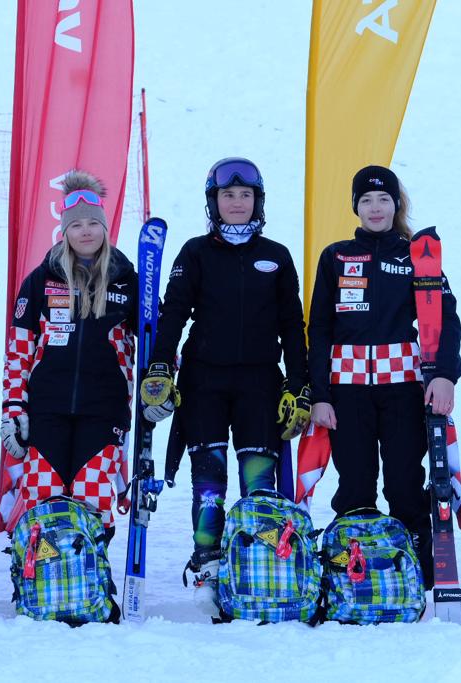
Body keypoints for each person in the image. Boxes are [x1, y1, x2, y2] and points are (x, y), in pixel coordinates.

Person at [139, 157, 309, 606]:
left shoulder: (277, 256)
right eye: (227, 195)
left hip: (260, 384)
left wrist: (299, 383)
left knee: (259, 483)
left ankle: (260, 563)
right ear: (213, 202)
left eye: (245, 195)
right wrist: (160, 367)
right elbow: (174, 313)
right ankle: (208, 567)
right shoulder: (195, 252)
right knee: (209, 484)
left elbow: (293, 325)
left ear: (258, 201)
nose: (236, 202)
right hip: (204, 383)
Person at [308, 165, 461, 586]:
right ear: (355, 207)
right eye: (366, 200)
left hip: (403, 390)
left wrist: (444, 375)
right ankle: (353, 574)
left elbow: (446, 320)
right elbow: (318, 329)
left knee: (404, 483)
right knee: (355, 484)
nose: (375, 208)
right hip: (348, 391)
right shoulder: (336, 256)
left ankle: (416, 574)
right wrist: (319, 394)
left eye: (383, 199)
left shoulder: (418, 257)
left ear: (396, 205)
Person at [0, 170, 137, 536]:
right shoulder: (41, 280)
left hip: (104, 408)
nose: (85, 231)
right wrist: (14, 408)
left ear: (104, 227)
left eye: (93, 223)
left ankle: (89, 567)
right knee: (44, 492)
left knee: (91, 493)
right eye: (76, 225)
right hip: (47, 408)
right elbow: (19, 350)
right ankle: (41, 566)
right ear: (64, 231)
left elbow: (157, 339)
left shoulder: (127, 280)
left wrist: (163, 374)